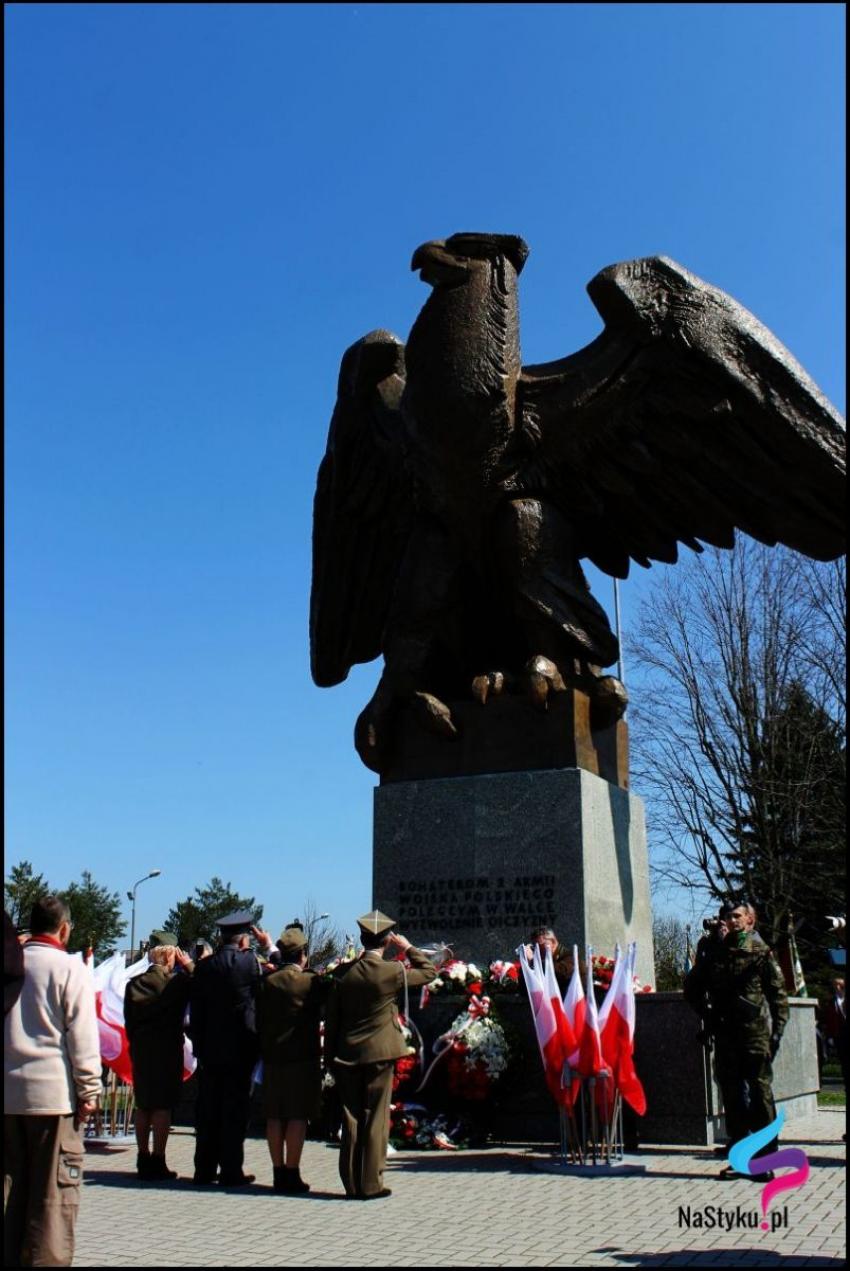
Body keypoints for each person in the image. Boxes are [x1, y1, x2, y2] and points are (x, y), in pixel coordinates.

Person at [4, 895, 101, 1267]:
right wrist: (90, 1091)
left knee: (11, 1191)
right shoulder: (69, 968)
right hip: (53, 1098)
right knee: (52, 1199)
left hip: (8, 1096)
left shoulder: (11, 964)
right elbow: (82, 1037)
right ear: (64, 928)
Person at [324, 909, 436, 1200]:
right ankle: (370, 1184)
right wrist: (409, 947)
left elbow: (332, 1020)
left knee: (350, 1118)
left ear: (362, 939)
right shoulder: (391, 971)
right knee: (375, 1117)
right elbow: (429, 972)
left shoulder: (342, 974)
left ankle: (350, 1183)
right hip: (380, 1055)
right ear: (387, 941)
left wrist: (328, 1059)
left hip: (347, 1054)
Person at [684, 901, 788, 1182]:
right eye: (726, 916)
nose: (730, 920)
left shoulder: (760, 952)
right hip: (725, 1032)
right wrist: (707, 1015)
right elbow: (691, 988)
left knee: (759, 1095)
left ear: (750, 921)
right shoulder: (715, 952)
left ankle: (765, 1157)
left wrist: (776, 1033)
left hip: (754, 1034)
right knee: (732, 1096)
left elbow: (778, 997)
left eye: (736, 915)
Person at [188, 910, 261, 1187]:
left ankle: (203, 1170)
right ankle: (231, 1170)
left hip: (209, 1050)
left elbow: (197, 1010)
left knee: (207, 1111)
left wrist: (199, 1046)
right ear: (243, 939)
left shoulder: (205, 967)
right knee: (235, 1111)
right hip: (241, 1049)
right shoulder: (248, 963)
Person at [257, 925, 329, 1193]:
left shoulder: (267, 982)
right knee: (297, 1116)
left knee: (275, 1116)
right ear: (304, 955)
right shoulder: (311, 981)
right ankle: (292, 1171)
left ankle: (277, 1173)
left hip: (273, 1057)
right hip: (302, 1058)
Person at [124, 931, 194, 1181]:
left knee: (144, 1106)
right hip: (167, 1051)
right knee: (163, 1107)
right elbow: (202, 986)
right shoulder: (177, 984)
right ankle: (158, 1159)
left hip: (142, 1050)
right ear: (169, 954)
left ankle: (142, 1158)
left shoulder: (134, 984)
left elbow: (128, 1022)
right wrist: (189, 965)